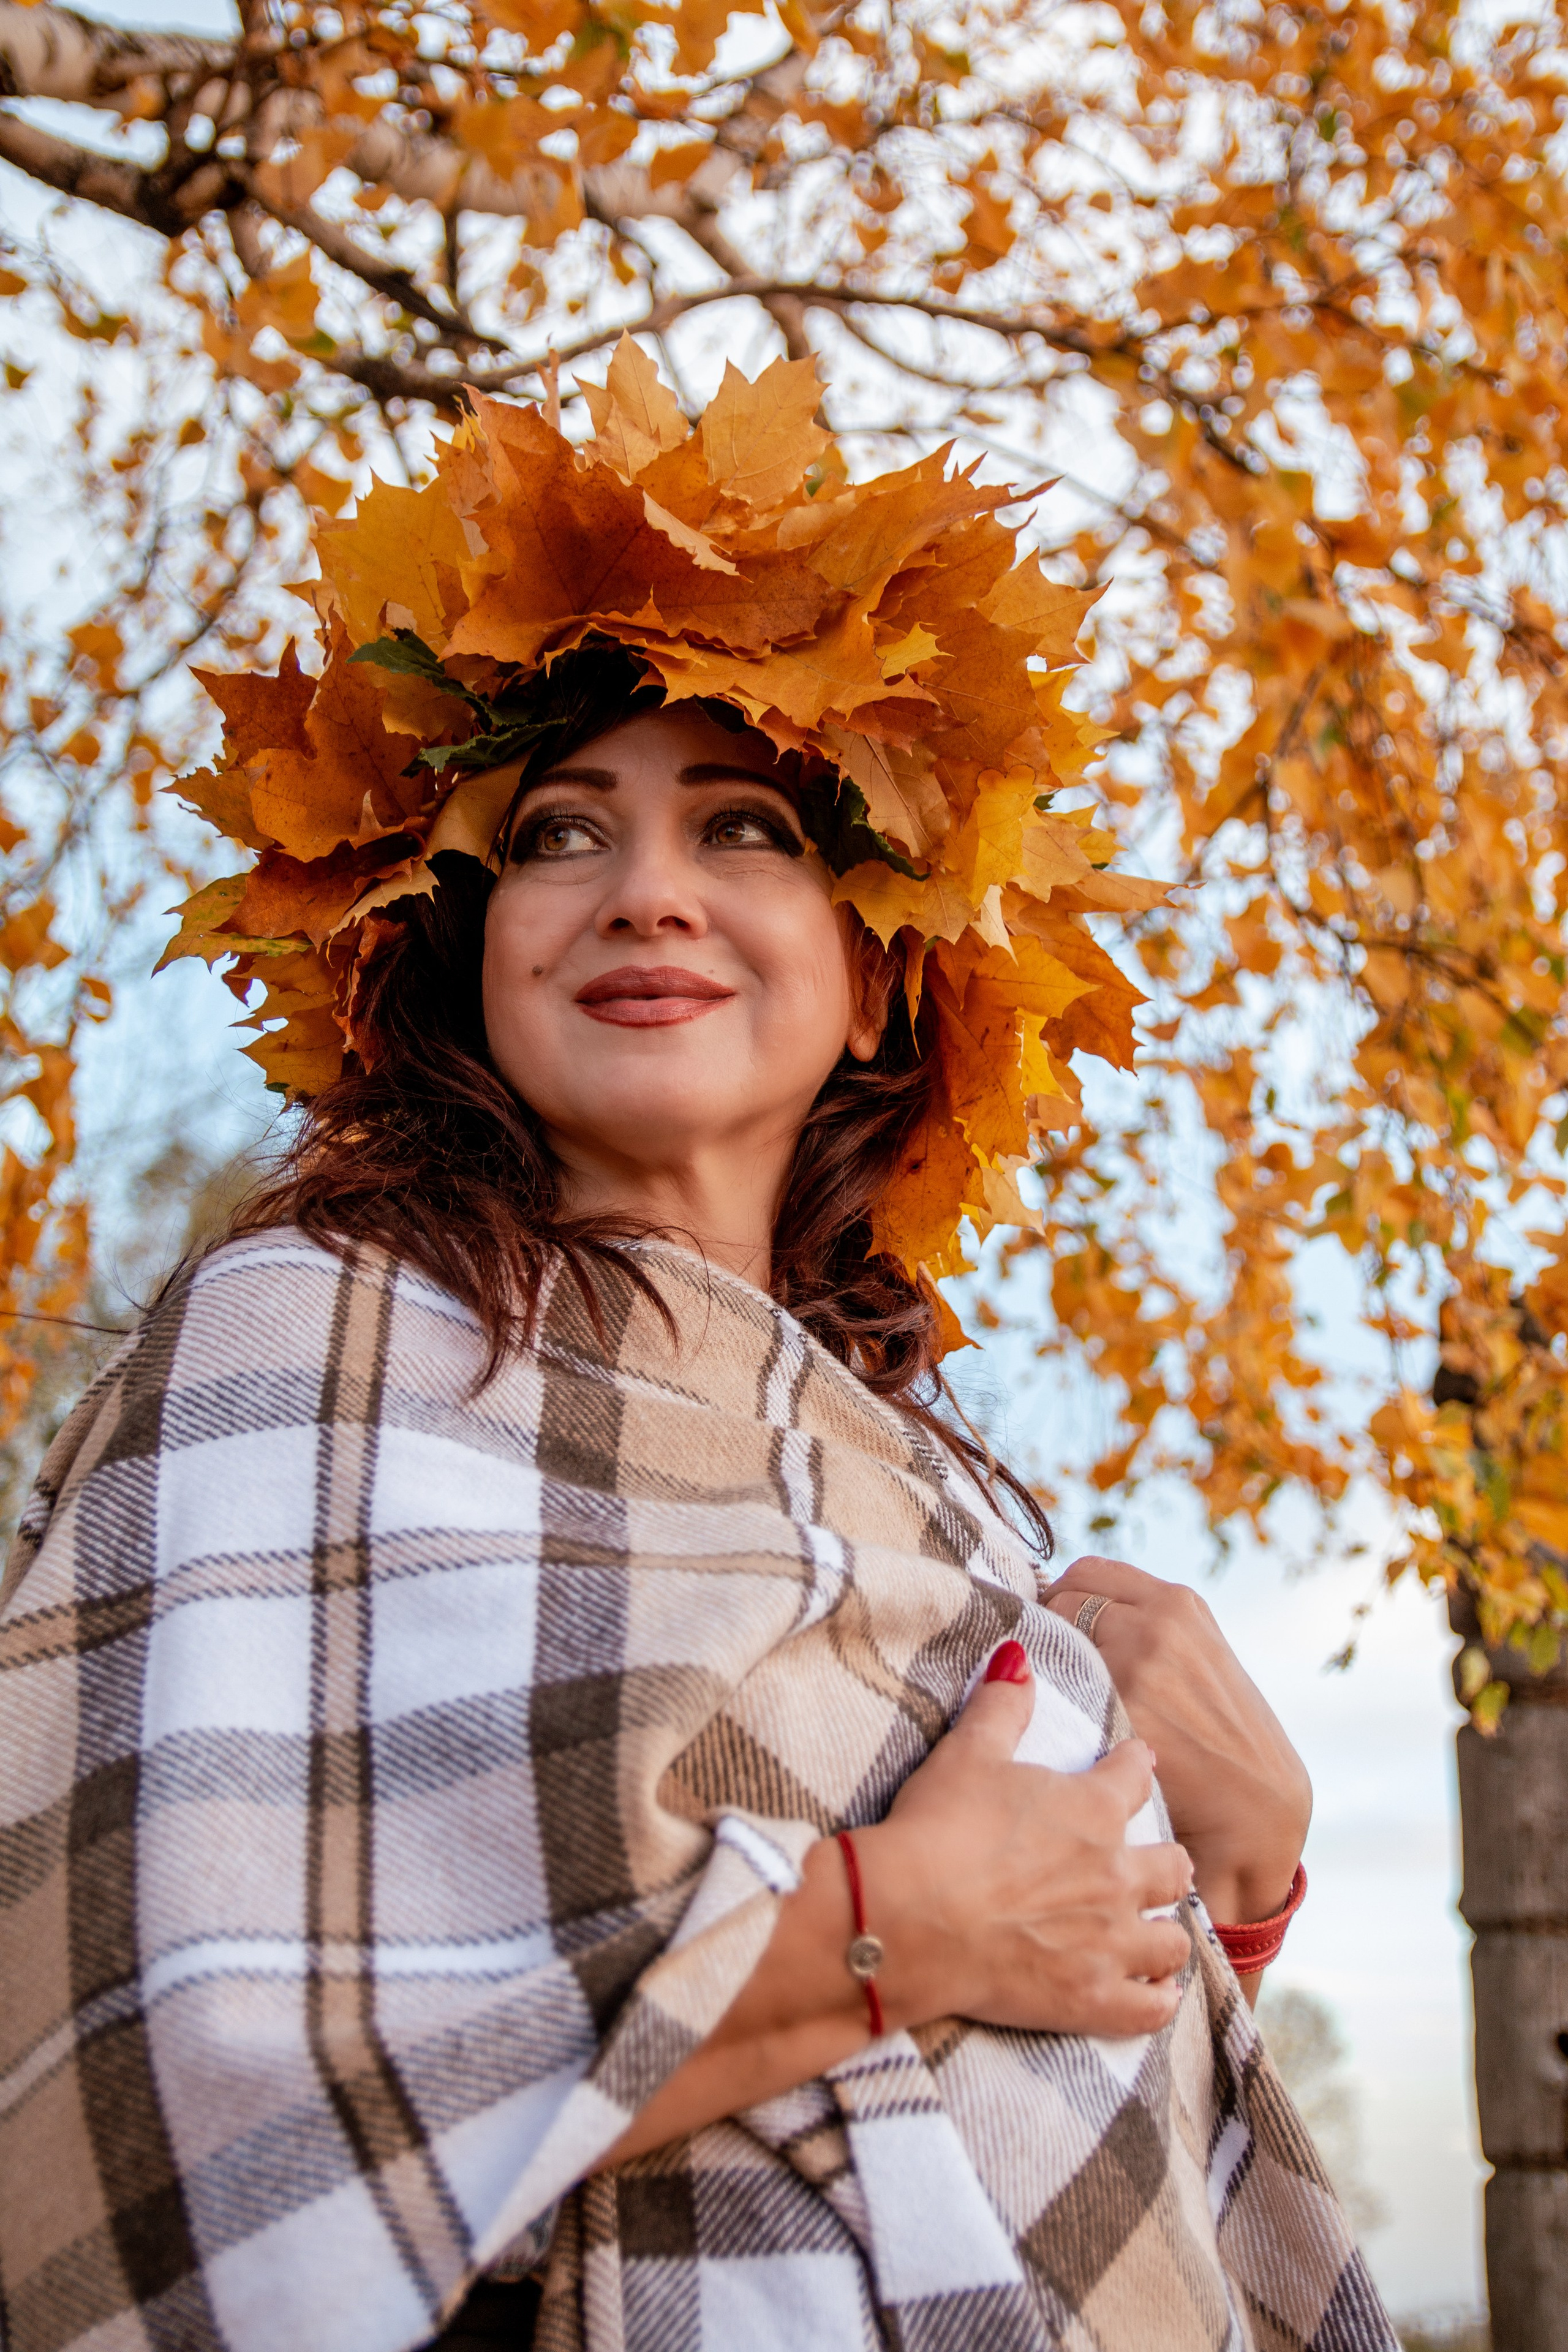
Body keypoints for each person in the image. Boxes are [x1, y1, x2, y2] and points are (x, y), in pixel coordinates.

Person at [0, 349, 1394, 2352]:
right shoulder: (300, 1345)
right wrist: (886, 1930)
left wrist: (1238, 1892)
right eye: (558, 836)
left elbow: (1069, 2103)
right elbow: (173, 2102)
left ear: (876, 977)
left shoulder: (923, 1491)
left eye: (742, 826)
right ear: (465, 957)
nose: (647, 890)